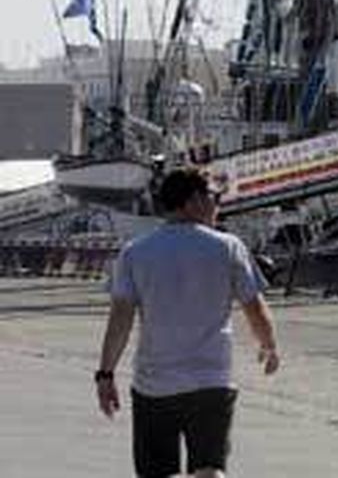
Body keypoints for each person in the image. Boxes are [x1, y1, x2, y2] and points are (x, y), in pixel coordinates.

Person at [94, 167, 280, 478]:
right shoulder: (228, 246)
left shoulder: (135, 252)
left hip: (155, 384)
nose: (218, 203)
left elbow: (120, 320)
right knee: (210, 470)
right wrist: (269, 345)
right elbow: (254, 307)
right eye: (213, 196)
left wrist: (105, 374)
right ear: (193, 200)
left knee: (157, 472)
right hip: (211, 380)